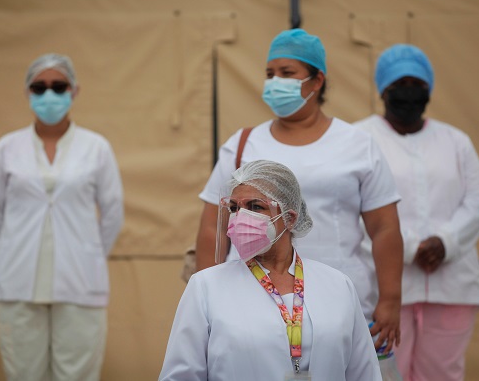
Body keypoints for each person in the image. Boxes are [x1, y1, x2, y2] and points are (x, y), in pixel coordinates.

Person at [195, 28, 404, 352]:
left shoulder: (358, 145)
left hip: (342, 304)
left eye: (287, 73)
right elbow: (214, 225)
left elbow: (386, 227)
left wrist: (390, 299)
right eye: (269, 73)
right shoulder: (243, 144)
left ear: (316, 80)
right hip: (248, 301)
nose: (275, 81)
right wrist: (206, 297)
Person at [160, 160, 381, 380]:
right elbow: (181, 375)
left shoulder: (337, 285)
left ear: (290, 218)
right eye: (234, 208)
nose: (240, 217)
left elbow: (364, 372)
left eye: (255, 207)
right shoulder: (205, 286)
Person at [352, 44, 479, 381]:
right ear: (383, 90)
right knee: (384, 374)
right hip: (383, 287)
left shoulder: (456, 141)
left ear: (429, 89)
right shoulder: (358, 139)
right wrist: (411, 248)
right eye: (399, 85)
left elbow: (478, 200)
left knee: (443, 373)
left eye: (418, 84)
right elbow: (353, 206)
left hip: (452, 283)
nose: (409, 93)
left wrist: (446, 242)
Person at [0, 53, 124, 381]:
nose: (49, 94)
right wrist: (15, 245)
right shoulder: (7, 147)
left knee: (78, 373)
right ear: (28, 92)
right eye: (40, 86)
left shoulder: (96, 147)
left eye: (59, 86)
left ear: (74, 91)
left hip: (80, 278)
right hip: (17, 277)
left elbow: (112, 212)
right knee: (23, 373)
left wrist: (87, 252)